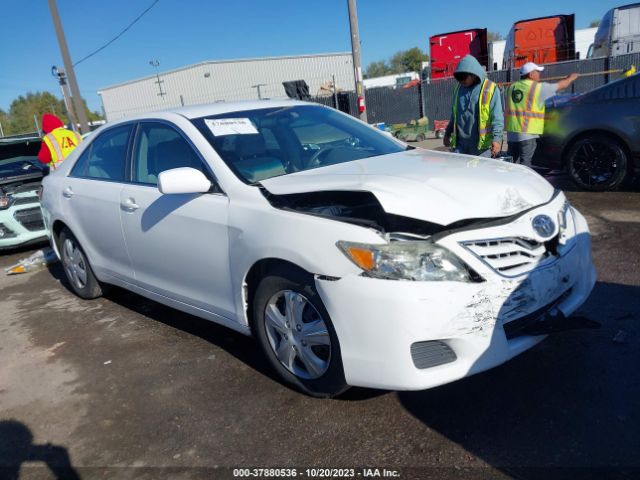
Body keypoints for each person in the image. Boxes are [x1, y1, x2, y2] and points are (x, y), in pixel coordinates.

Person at [505, 62, 578, 167]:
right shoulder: (537, 88)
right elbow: (562, 85)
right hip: (527, 133)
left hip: (511, 133)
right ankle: (524, 183)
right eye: (537, 72)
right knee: (525, 164)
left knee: (511, 163)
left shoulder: (511, 87)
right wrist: (571, 78)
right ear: (531, 74)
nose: (539, 74)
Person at [443, 55, 503, 158]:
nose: (461, 81)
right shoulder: (458, 89)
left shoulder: (490, 88)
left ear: (473, 74)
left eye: (464, 78)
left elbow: (497, 118)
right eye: (459, 79)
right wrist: (447, 133)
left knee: (479, 174)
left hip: (481, 148)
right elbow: (454, 115)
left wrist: (497, 139)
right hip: (460, 146)